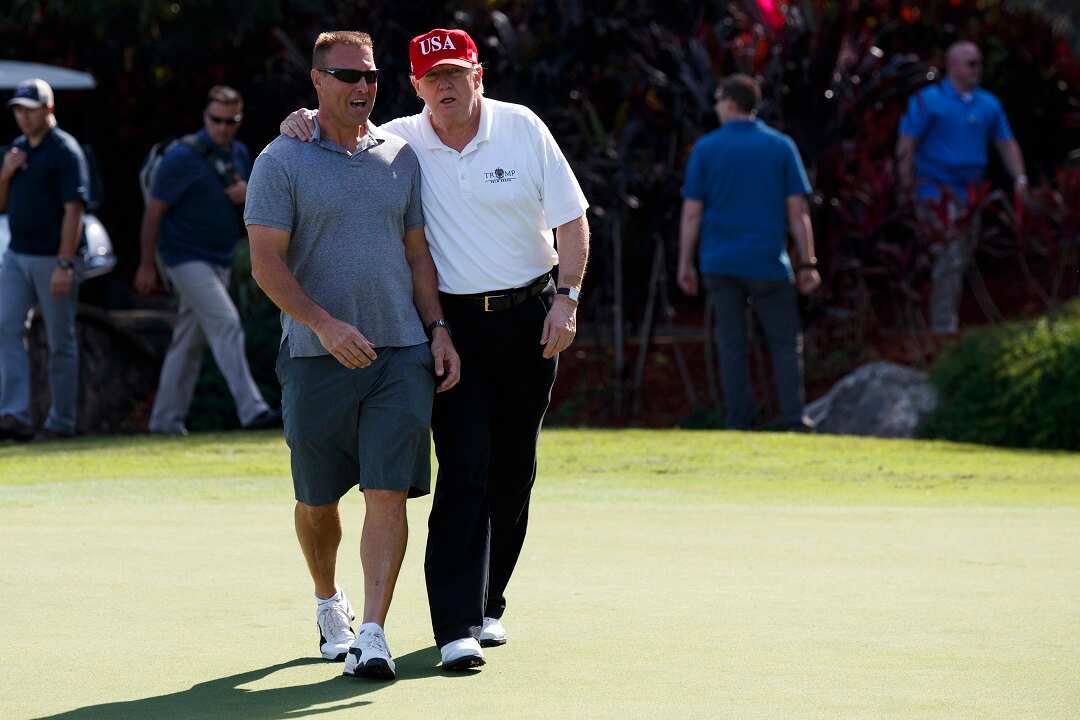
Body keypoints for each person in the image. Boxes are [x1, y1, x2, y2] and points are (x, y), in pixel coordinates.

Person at [279, 27, 590, 670]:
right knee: (464, 469)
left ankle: (489, 601)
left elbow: (571, 219)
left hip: (531, 312)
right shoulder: (401, 140)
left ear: (479, 75)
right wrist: (306, 117)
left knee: (514, 472)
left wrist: (567, 296)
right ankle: (456, 626)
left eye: (456, 73)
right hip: (454, 330)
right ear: (416, 86)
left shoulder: (523, 128)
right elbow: (343, 122)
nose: (444, 86)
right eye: (431, 77)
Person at [246, 30, 460, 681]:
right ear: (317, 80)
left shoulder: (399, 156)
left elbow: (418, 253)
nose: (362, 86)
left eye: (369, 75)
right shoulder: (282, 158)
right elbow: (264, 262)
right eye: (346, 75)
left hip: (399, 353)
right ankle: (326, 600)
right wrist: (321, 323)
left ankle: (372, 633)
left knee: (387, 490)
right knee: (316, 500)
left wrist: (438, 328)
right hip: (315, 357)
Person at [677, 74, 820, 431]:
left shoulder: (707, 148)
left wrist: (684, 262)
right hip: (769, 262)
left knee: (732, 344)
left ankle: (739, 420)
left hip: (720, 262)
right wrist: (807, 262)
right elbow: (798, 211)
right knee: (785, 344)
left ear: (729, 102)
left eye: (717, 100)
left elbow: (692, 211)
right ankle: (793, 417)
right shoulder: (781, 146)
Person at [135, 85, 279, 435]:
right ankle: (252, 409)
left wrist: (248, 193)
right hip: (183, 258)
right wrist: (146, 265)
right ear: (205, 117)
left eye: (232, 121)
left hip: (220, 258)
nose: (224, 127)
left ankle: (165, 421)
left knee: (189, 340)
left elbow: (253, 209)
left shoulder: (240, 153)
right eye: (217, 120)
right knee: (226, 320)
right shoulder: (181, 158)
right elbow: (153, 213)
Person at [896, 41, 1028, 333]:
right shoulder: (927, 101)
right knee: (950, 255)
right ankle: (943, 326)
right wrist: (905, 186)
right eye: (971, 63)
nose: (977, 69)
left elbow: (1005, 142)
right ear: (953, 66)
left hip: (971, 192)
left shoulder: (988, 104)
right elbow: (907, 143)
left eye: (979, 63)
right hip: (935, 191)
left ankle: (940, 316)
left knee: (963, 255)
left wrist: (1019, 177)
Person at [0, 79, 88, 441]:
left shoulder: (65, 151)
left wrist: (65, 264)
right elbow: (2, 204)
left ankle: (61, 421)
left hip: (54, 259)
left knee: (59, 342)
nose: (23, 117)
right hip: (17, 255)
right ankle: (14, 414)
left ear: (48, 110)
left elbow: (74, 211)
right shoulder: (17, 149)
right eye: (18, 110)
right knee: (5, 327)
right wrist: (5, 172)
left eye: (30, 109)